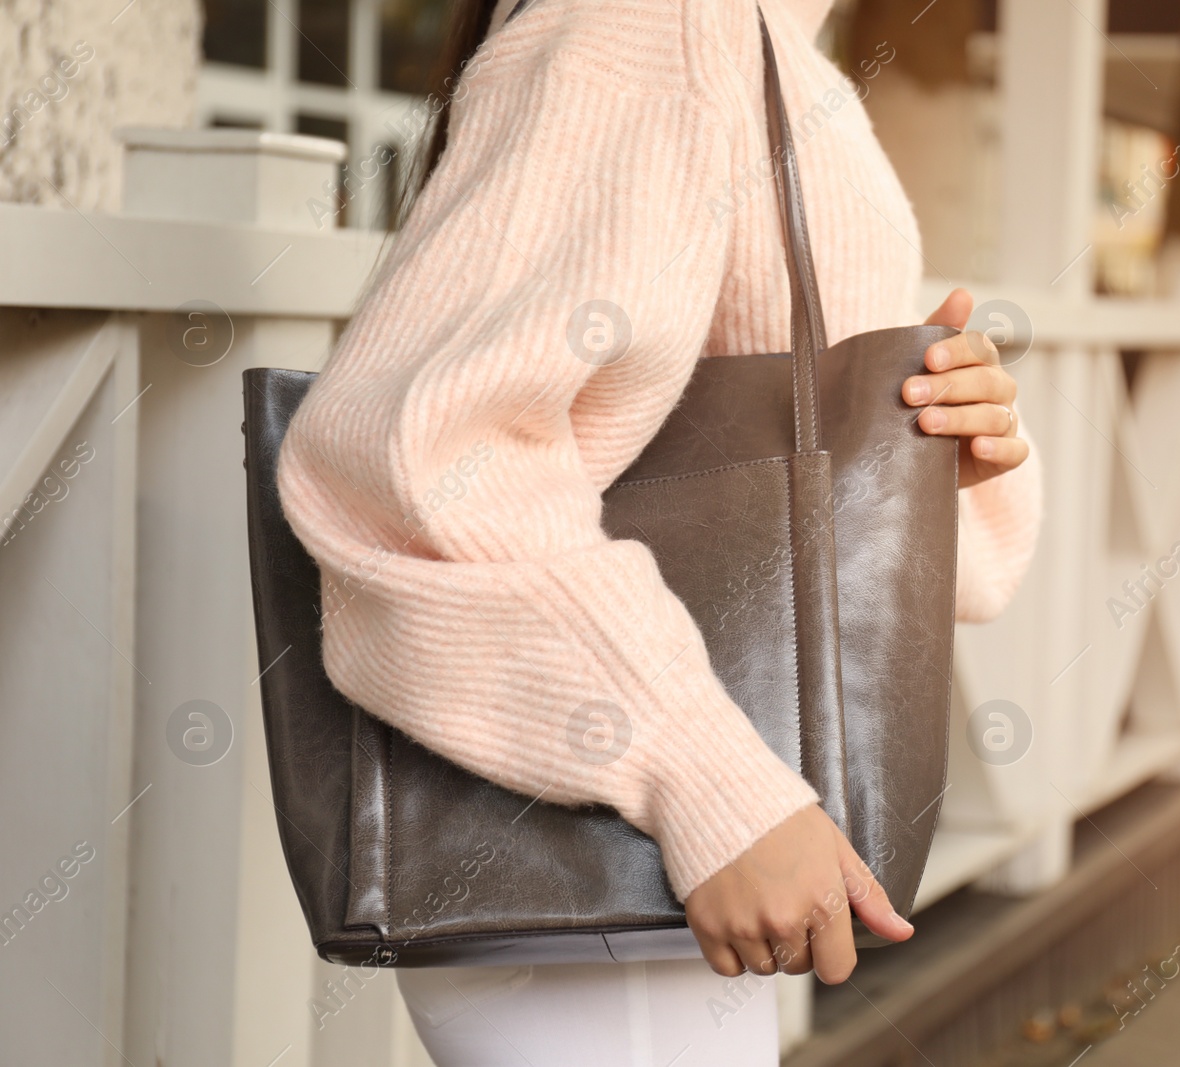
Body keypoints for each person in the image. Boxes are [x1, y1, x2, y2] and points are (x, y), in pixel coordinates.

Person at [275, 0, 1042, 1062]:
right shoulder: (646, 24)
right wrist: (701, 776)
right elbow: (423, 465)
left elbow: (761, 461)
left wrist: (946, 441)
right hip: (592, 842)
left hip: (671, 850)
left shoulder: (766, 44)